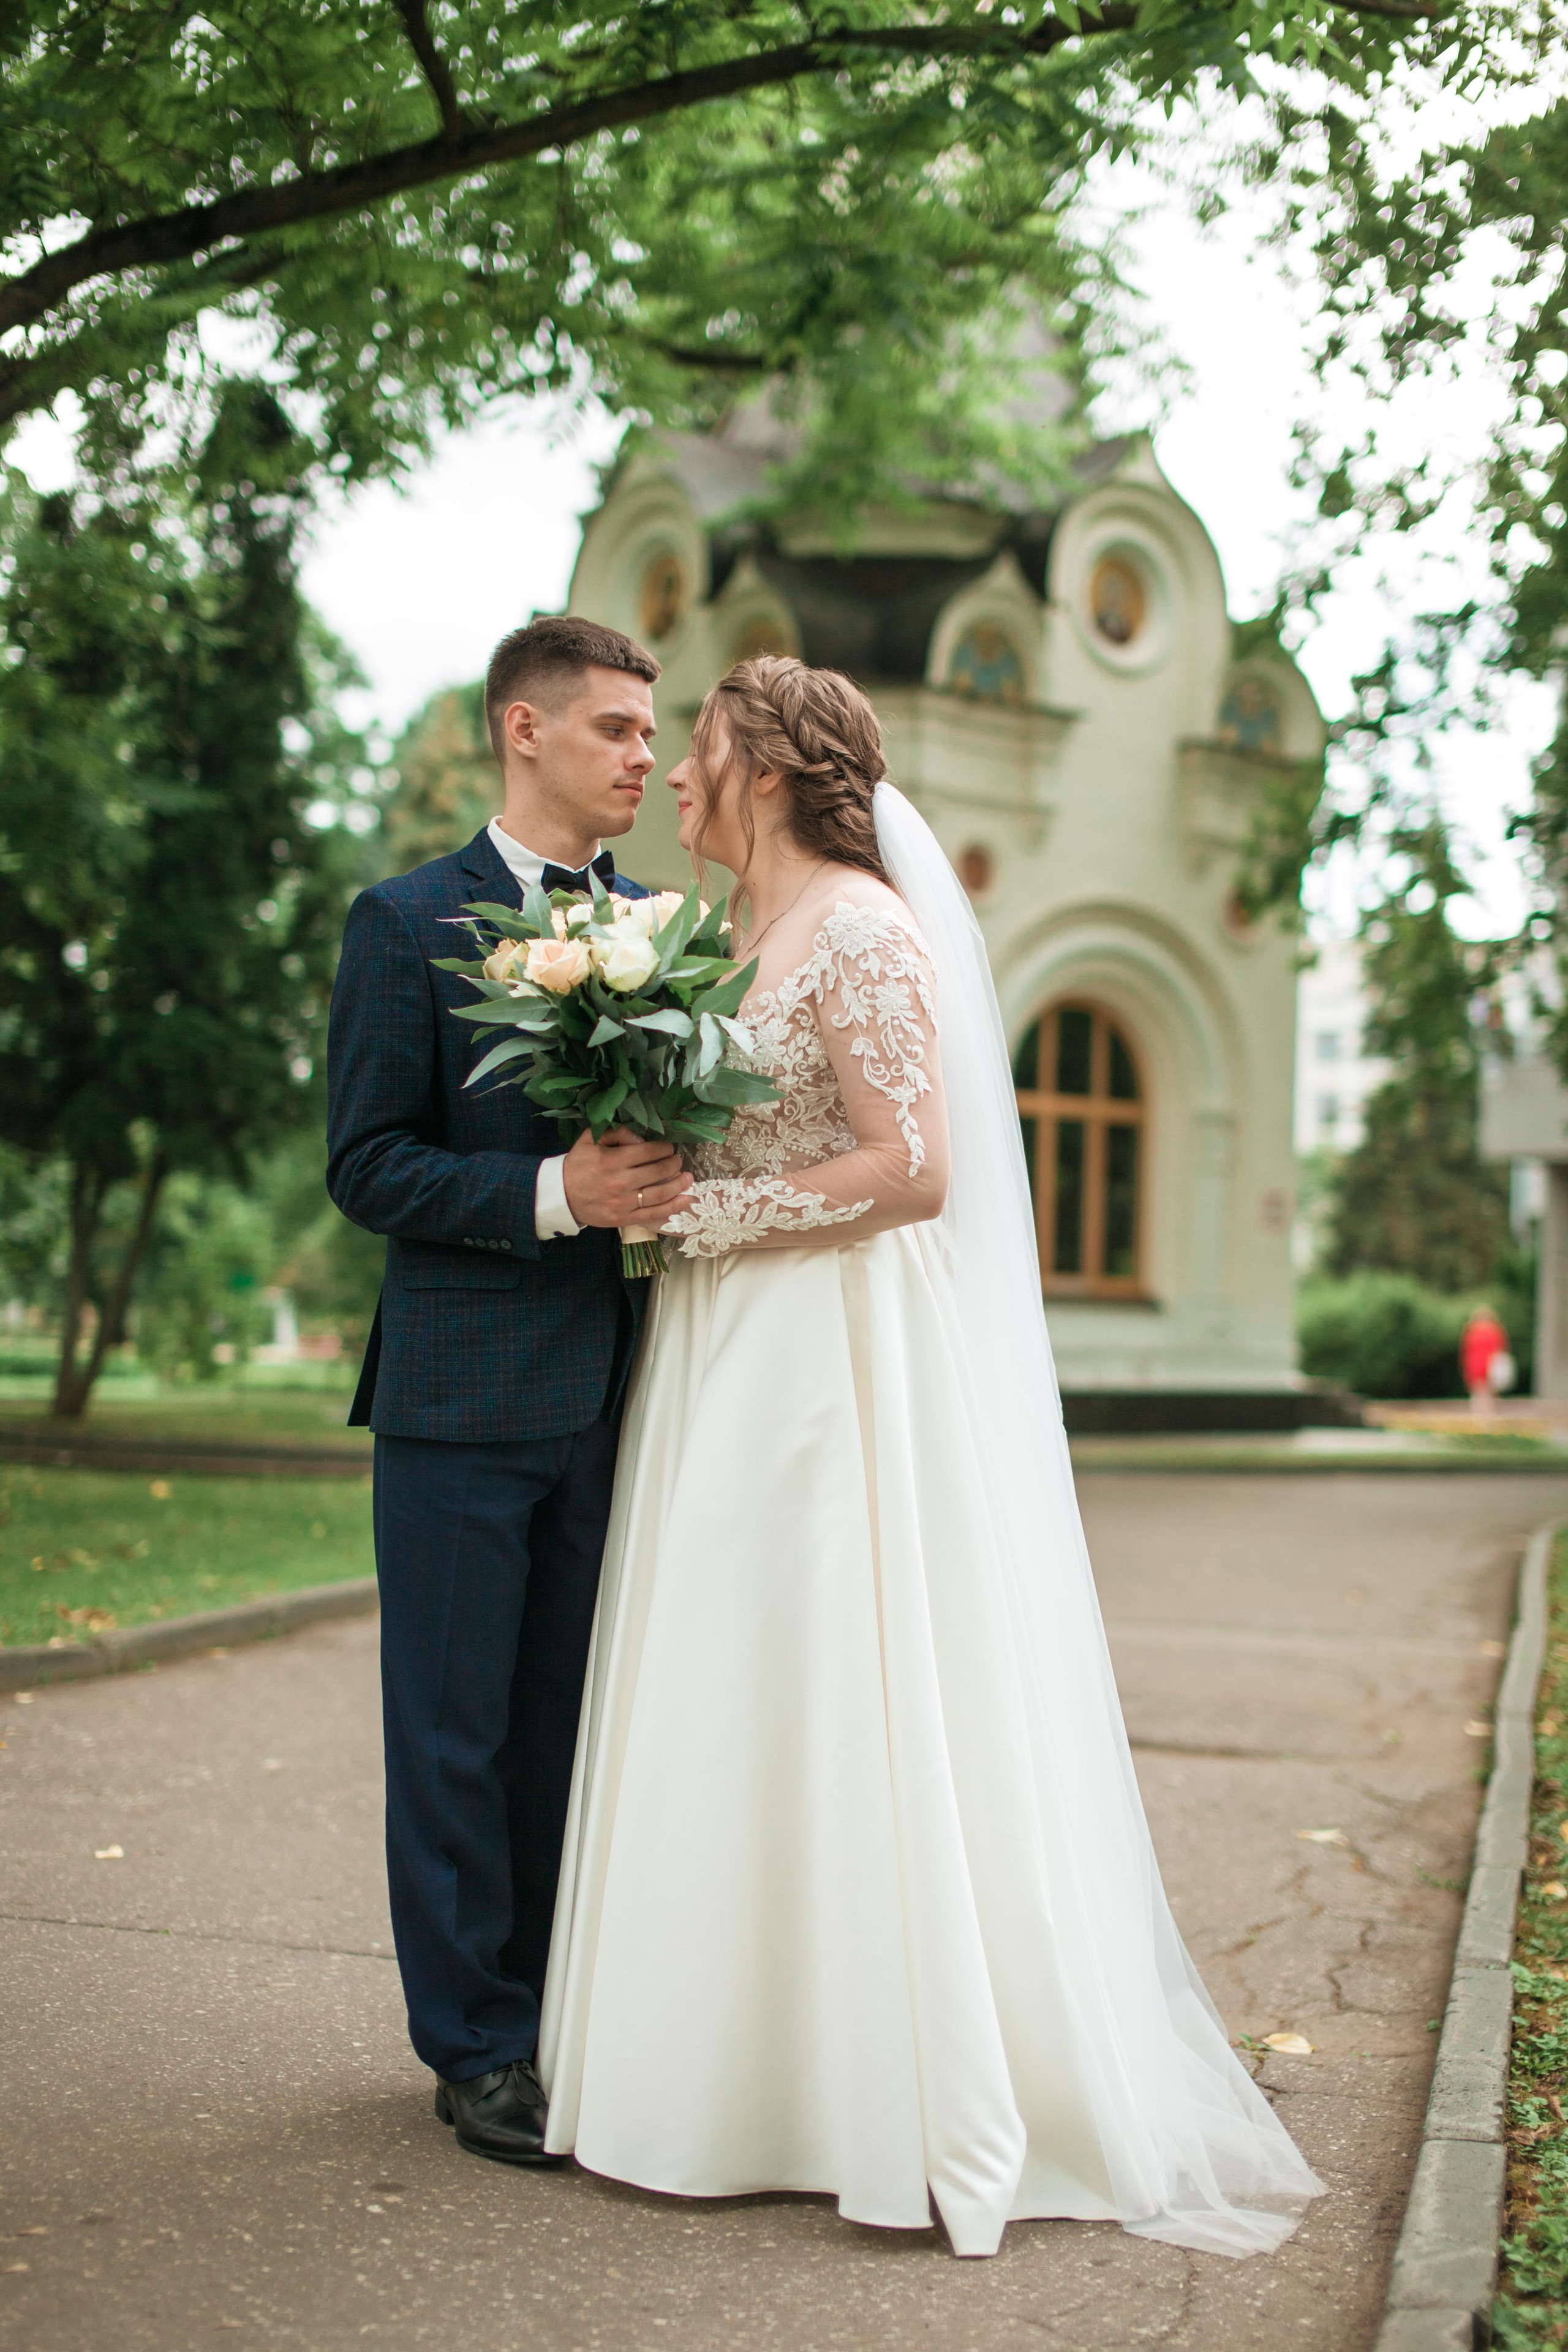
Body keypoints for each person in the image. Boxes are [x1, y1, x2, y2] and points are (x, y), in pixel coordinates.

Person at [537, 656, 1324, 2259]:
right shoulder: (738, 938)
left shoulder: (868, 927)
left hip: (834, 1359)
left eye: (695, 752)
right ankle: (716, 2074)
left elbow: (916, 1167)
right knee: (732, 1693)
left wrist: (715, 1212)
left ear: (761, 765)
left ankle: (878, 2091)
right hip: (722, 1357)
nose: (673, 783)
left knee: (845, 1690)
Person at [325, 615, 692, 2168]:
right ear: (521, 730)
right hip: (458, 1399)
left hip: (617, 1396)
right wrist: (554, 1190)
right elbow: (365, 1164)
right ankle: (474, 2044)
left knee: (567, 1729)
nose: (645, 758)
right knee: (454, 1735)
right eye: (614, 727)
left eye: (648, 730)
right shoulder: (406, 920)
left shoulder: (666, 931)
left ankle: (563, 2014)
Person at [1461, 1303, 1509, 1420]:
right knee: (1490, 1393)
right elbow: (1501, 1349)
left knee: (1478, 1393)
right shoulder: (1495, 1330)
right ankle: (1488, 1415)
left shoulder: (1472, 1331)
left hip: (1476, 1365)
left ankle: (1479, 1415)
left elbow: (1466, 1351)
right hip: (1490, 1365)